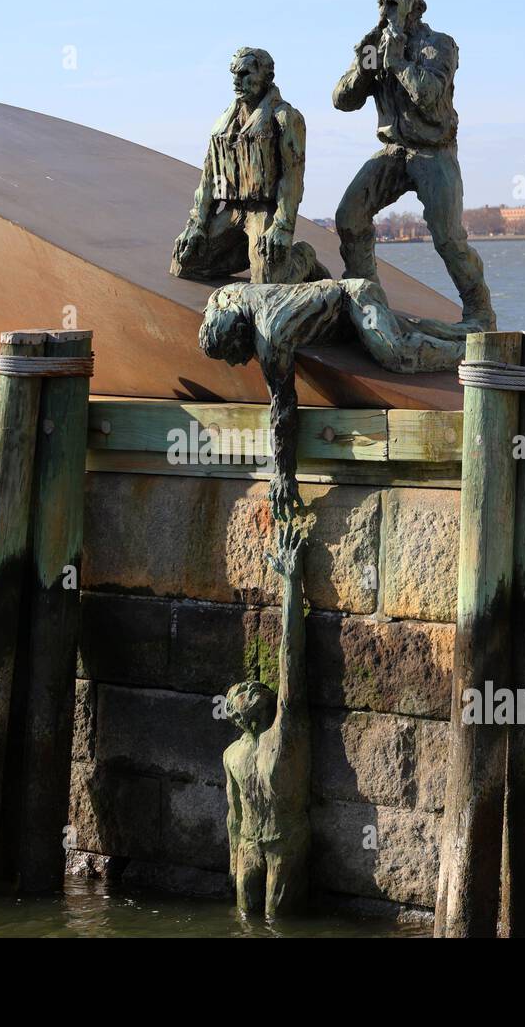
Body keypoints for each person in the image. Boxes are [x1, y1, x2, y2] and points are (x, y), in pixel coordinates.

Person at [199, 277, 466, 518]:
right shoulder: (225, 298)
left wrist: (283, 474)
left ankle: (472, 353)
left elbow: (283, 406)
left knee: (396, 351)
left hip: (357, 299)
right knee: (406, 331)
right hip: (340, 303)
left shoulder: (271, 335)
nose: (234, 363)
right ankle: (470, 333)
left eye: (232, 354)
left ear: (243, 333)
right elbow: (214, 305)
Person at [332, 0, 496, 331]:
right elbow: (342, 101)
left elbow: (429, 95)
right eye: (381, 4)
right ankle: (367, 305)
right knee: (349, 216)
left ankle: (480, 311)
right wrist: (362, 68)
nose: (384, 11)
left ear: (416, 8)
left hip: (433, 152)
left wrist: (398, 63)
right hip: (393, 151)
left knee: (449, 238)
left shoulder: (439, 45)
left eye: (392, 4)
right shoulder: (375, 48)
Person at [171, 48, 327, 285]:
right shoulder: (225, 121)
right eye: (233, 73)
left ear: (268, 77)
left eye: (244, 73)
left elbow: (292, 176)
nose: (236, 80)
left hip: (263, 211)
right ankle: (253, 256)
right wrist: (197, 224)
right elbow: (209, 177)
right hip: (232, 210)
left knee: (266, 281)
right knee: (184, 262)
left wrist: (283, 227)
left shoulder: (284, 117)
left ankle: (303, 257)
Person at [223, 518, 311, 917]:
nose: (247, 688)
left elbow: (289, 658)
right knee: (244, 917)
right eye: (242, 691)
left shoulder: (285, 732)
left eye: (251, 689)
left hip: (283, 840)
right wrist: (232, 858)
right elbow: (233, 810)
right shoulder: (232, 756)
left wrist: (290, 583)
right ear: (239, 715)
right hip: (246, 843)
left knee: (278, 921)